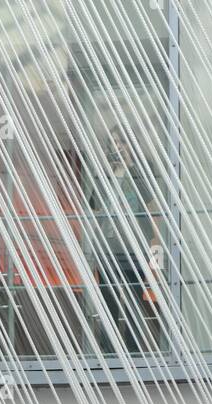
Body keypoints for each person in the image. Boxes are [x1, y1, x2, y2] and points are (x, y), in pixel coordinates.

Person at [88, 124, 162, 353]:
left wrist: (155, 244)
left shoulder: (138, 175)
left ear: (129, 145)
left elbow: (153, 210)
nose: (117, 147)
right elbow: (94, 211)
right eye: (113, 144)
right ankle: (109, 354)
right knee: (108, 304)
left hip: (133, 250)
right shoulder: (104, 177)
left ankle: (134, 353)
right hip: (109, 249)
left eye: (121, 142)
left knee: (133, 304)